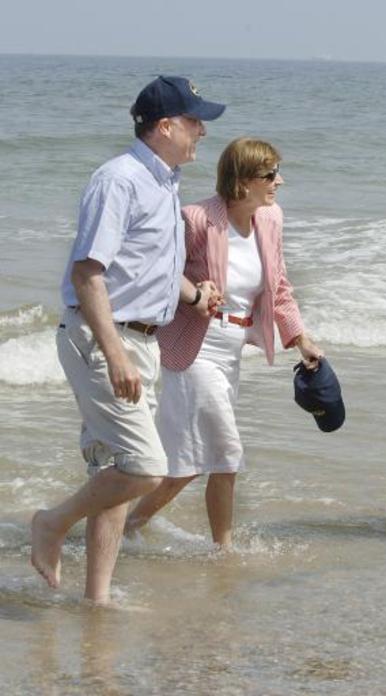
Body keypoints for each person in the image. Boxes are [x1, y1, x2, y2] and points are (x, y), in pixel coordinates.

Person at [31, 75, 225, 603]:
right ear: (165, 126)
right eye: (193, 120)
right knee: (144, 468)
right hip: (104, 339)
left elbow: (147, 268)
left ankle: (95, 599)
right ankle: (51, 523)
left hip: (141, 340)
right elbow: (87, 274)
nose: (202, 131)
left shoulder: (164, 182)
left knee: (114, 471)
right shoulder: (118, 180)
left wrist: (192, 295)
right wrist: (116, 355)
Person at [125, 137, 324, 547]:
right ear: (243, 180)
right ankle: (225, 551)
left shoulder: (270, 219)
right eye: (270, 175)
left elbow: (280, 286)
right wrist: (195, 294)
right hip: (193, 347)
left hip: (232, 349)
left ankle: (127, 526)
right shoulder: (197, 218)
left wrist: (300, 338)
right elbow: (160, 273)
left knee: (190, 465)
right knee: (226, 450)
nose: (279, 182)